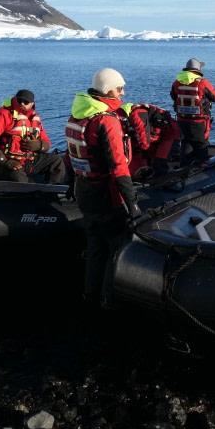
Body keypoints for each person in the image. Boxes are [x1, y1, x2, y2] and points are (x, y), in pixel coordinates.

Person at [65, 68, 141, 310]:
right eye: (120, 88)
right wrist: (133, 204)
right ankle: (109, 301)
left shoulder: (77, 116)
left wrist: (70, 186)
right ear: (108, 90)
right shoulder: (106, 121)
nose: (123, 92)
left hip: (84, 193)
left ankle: (89, 295)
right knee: (116, 248)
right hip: (106, 197)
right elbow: (118, 167)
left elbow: (70, 157)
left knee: (95, 247)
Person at [0, 89, 65, 184]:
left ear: (32, 103)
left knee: (56, 161)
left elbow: (47, 143)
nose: (22, 103)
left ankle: (53, 192)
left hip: (27, 162)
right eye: (19, 101)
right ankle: (26, 195)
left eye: (26, 102)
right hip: (4, 163)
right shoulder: (3, 114)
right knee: (18, 177)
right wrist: (4, 161)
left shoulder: (35, 119)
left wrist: (39, 145)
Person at [170, 57, 215, 164]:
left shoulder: (177, 82)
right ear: (198, 70)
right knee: (201, 145)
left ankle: (184, 171)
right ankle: (202, 171)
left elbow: (173, 96)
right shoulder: (203, 83)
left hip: (182, 121)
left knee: (186, 144)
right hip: (199, 122)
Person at [119, 102, 180, 177]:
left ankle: (170, 179)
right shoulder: (130, 115)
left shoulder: (137, 114)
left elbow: (144, 141)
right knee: (149, 163)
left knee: (159, 165)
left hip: (170, 134)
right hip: (156, 138)